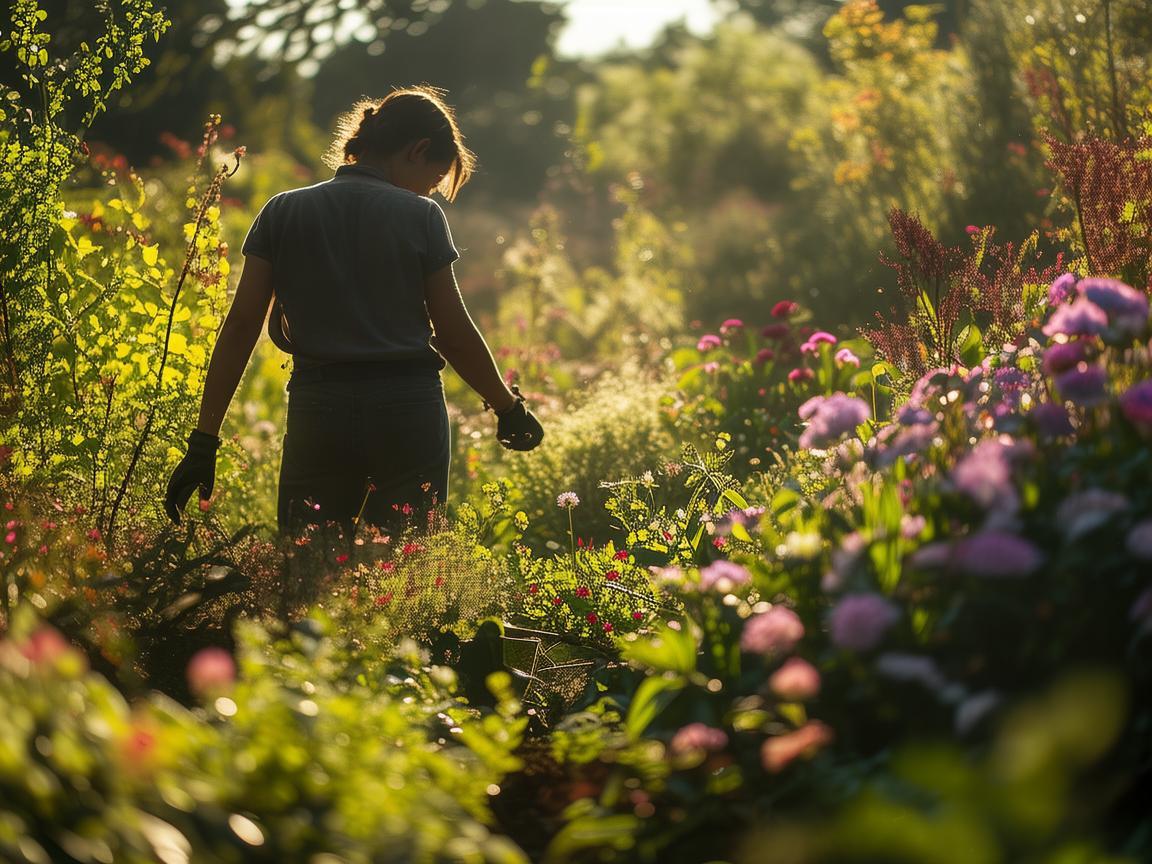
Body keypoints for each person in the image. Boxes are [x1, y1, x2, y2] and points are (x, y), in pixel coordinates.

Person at [163, 85, 542, 538]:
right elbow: (453, 331)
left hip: (319, 408)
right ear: (418, 150)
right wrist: (507, 407)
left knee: (309, 563)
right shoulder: (420, 215)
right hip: (407, 411)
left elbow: (242, 324)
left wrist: (204, 441)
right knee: (403, 574)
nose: (429, 193)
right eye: (433, 180)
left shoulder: (283, 211)